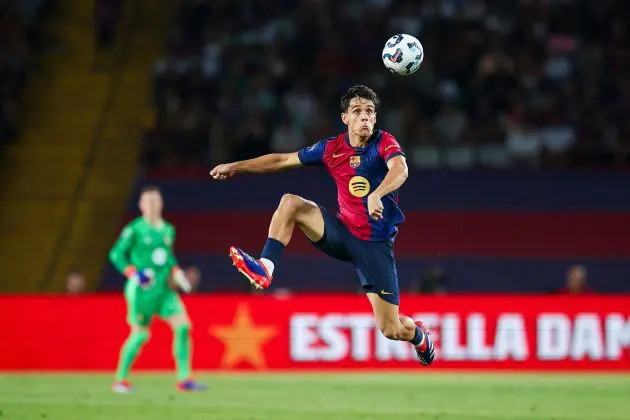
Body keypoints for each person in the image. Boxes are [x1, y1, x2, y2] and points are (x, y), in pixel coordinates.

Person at [210, 85, 435, 366]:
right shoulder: (332, 148)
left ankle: (419, 335)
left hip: (375, 248)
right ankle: (265, 267)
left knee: (391, 329)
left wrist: (377, 194)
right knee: (290, 202)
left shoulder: (384, 142)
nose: (364, 117)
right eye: (357, 111)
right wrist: (235, 166)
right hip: (342, 233)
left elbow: (400, 169)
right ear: (345, 118)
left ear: (375, 118)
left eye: (369, 112)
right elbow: (282, 160)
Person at [108, 185, 206, 392]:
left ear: (161, 203)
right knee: (141, 334)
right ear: (141, 205)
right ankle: (121, 379)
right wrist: (133, 273)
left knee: (183, 326)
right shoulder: (134, 229)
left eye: (155, 201)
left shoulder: (169, 230)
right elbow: (116, 254)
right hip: (141, 291)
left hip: (164, 292)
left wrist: (178, 274)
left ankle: (184, 378)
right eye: (148, 201)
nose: (152, 205)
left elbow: (168, 258)